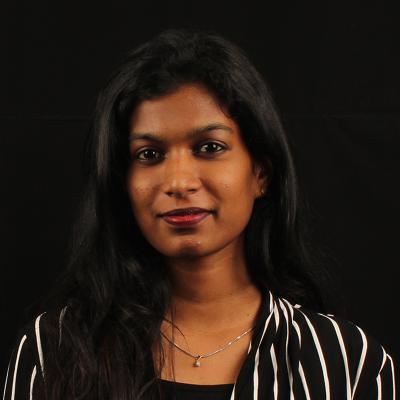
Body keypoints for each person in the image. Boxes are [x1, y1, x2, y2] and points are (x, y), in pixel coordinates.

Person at [3, 28, 396, 400]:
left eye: (209, 147)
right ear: (123, 181)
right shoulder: (54, 351)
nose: (179, 181)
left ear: (260, 173)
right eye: (149, 154)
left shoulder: (348, 364)